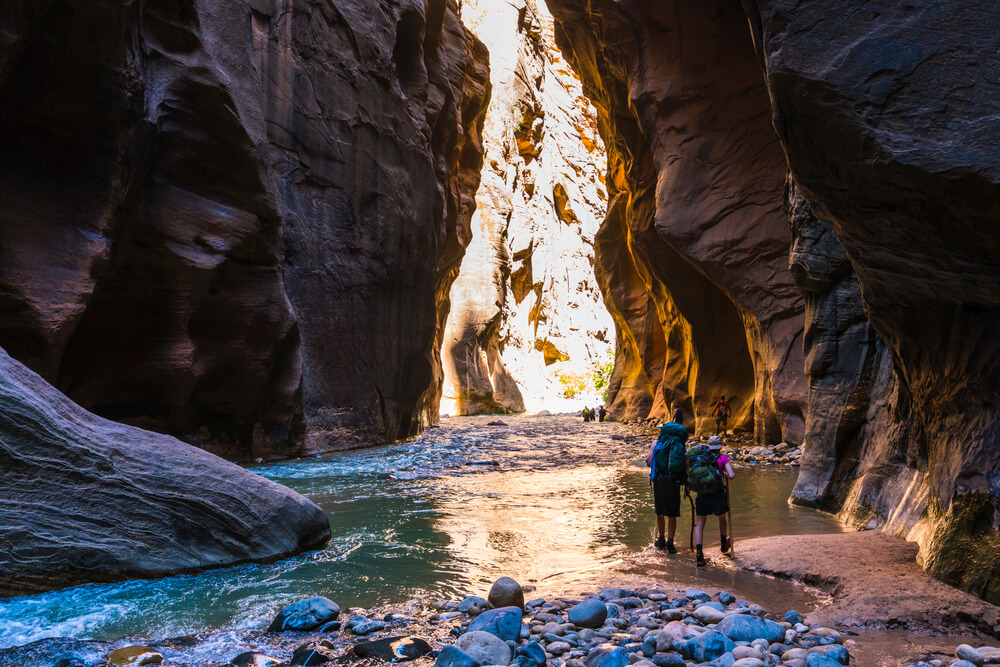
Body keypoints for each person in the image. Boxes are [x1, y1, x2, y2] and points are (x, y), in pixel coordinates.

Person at [685, 435, 734, 566]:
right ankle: (724, 545)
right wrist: (724, 474)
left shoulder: (702, 458)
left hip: (701, 495)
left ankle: (699, 556)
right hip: (717, 494)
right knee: (721, 518)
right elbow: (732, 475)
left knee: (700, 524)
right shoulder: (723, 458)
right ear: (720, 446)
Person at [645, 417, 688, 553]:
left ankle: (661, 539)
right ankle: (671, 542)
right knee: (672, 513)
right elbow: (684, 465)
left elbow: (648, 461)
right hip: (674, 482)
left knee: (660, 512)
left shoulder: (656, 443)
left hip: (659, 482)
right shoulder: (680, 445)